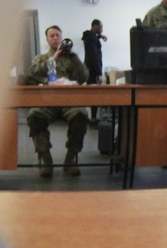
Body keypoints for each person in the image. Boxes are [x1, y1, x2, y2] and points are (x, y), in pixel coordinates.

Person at [23, 25, 89, 177]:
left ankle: (70, 159)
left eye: (57, 35)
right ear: (47, 39)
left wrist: (75, 58)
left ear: (62, 38)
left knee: (80, 115)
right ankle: (46, 159)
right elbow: (33, 73)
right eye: (51, 36)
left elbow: (83, 77)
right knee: (34, 116)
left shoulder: (72, 59)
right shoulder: (41, 58)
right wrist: (53, 59)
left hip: (69, 101)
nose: (55, 38)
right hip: (47, 102)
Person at [81, 19, 107, 122]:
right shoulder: (92, 38)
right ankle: (92, 119)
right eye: (100, 27)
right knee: (94, 95)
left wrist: (101, 36)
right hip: (93, 71)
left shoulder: (89, 36)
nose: (102, 29)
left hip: (89, 69)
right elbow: (95, 57)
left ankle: (92, 117)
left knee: (92, 94)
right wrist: (99, 73)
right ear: (95, 26)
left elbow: (93, 36)